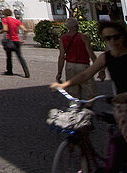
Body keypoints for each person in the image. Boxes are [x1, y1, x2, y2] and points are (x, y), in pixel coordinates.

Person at [52, 21, 127, 171]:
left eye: (116, 37)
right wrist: (64, 84)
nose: (112, 41)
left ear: (123, 37)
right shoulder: (106, 57)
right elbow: (87, 74)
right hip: (120, 105)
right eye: (107, 38)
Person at [57, 18, 103, 100]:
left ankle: (76, 109)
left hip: (70, 66)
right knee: (90, 92)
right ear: (77, 26)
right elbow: (91, 53)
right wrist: (99, 69)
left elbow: (61, 56)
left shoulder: (63, 38)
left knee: (73, 92)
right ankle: (88, 108)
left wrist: (59, 72)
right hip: (83, 65)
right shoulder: (83, 37)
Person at [0, 8, 30, 78]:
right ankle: (26, 72)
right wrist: (24, 38)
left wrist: (1, 31)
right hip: (17, 40)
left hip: (9, 40)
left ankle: (9, 71)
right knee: (20, 57)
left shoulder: (5, 20)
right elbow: (25, 30)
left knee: (9, 57)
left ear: (5, 14)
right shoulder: (16, 21)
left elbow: (5, 29)